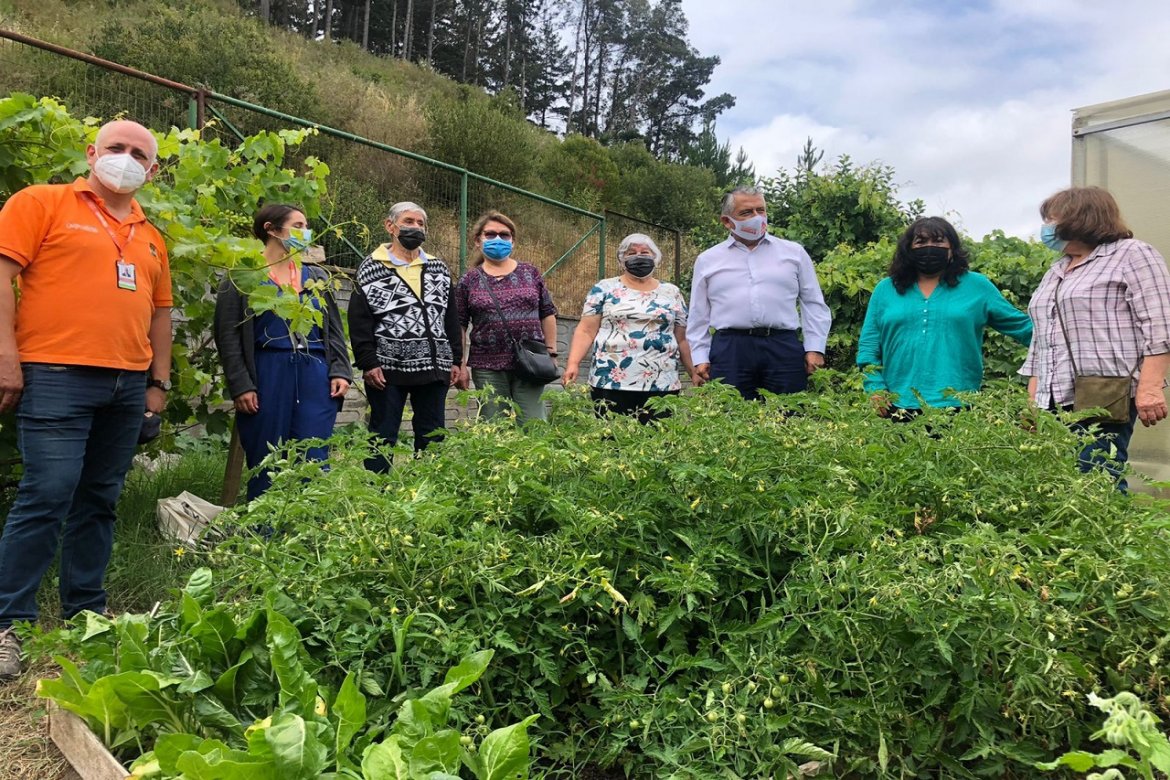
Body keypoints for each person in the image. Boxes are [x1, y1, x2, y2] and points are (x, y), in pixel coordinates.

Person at [0, 120, 173, 678]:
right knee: (47, 493)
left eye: (138, 155)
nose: (125, 159)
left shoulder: (150, 235)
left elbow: (160, 313)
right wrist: (6, 355)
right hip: (55, 373)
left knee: (99, 497)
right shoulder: (42, 203)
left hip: (127, 383)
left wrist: (158, 383)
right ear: (91, 152)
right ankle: (9, 624)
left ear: (150, 170)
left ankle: (86, 615)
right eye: (116, 148)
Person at [1020, 187, 1170, 487]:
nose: (1046, 227)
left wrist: (1150, 388)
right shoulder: (1056, 270)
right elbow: (1042, 340)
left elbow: (1161, 324)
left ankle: (1116, 534)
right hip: (1053, 396)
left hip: (1103, 394)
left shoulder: (1132, 254)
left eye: (1052, 219)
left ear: (1081, 217)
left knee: (1095, 482)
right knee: (1059, 483)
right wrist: (1031, 402)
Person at [214, 204, 352, 500]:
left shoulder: (315, 277)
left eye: (306, 226)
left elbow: (334, 329)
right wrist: (241, 385)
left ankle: (310, 532)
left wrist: (340, 369)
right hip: (267, 371)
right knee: (267, 455)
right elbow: (227, 336)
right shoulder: (243, 276)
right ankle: (264, 532)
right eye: (298, 225)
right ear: (272, 229)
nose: (305, 233)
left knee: (313, 455)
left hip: (314, 371)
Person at [857, 217, 1032, 417]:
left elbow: (1022, 327)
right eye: (921, 242)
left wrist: (1063, 342)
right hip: (896, 404)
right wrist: (875, 389)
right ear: (908, 249)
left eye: (938, 241)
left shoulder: (977, 287)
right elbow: (869, 346)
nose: (930, 248)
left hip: (959, 404)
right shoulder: (885, 289)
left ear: (952, 249)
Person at [687, 186, 831, 400]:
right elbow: (699, 313)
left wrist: (815, 348)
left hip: (782, 346)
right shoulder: (708, 260)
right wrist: (699, 357)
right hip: (730, 349)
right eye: (746, 212)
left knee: (789, 416)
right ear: (727, 221)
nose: (756, 217)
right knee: (731, 420)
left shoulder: (794, 253)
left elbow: (813, 303)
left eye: (760, 210)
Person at [349, 202, 461, 471]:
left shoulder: (438, 269)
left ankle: (429, 486)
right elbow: (359, 321)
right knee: (382, 433)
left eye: (421, 223)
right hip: (387, 369)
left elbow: (451, 317)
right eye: (409, 221)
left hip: (434, 367)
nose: (415, 227)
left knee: (432, 434)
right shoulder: (370, 268)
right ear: (391, 226)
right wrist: (368, 362)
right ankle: (376, 490)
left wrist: (456, 359)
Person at [563, 233, 696, 422]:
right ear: (621, 259)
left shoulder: (671, 292)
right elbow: (586, 330)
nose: (639, 256)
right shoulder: (604, 288)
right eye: (631, 253)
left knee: (658, 442)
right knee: (613, 440)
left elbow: (682, 338)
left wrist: (693, 372)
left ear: (655, 258)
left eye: (645, 252)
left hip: (662, 382)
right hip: (611, 380)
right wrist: (573, 363)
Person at [454, 211, 558, 423]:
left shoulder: (530, 272)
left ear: (513, 240)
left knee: (534, 425)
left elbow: (547, 313)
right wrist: (460, 364)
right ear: (477, 240)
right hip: (487, 365)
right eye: (490, 234)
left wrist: (551, 353)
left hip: (531, 362)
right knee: (494, 427)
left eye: (505, 234)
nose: (498, 239)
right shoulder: (469, 280)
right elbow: (459, 324)